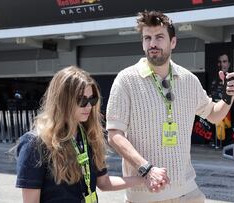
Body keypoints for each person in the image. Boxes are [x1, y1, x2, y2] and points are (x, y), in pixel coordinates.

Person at [106, 10, 234, 203]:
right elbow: (114, 135)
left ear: (173, 42)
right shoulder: (126, 80)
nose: (152, 44)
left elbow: (212, 114)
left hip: (188, 192)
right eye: (147, 38)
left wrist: (228, 97)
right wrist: (146, 169)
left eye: (159, 37)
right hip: (145, 194)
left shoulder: (188, 80)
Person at [15, 66, 143, 203]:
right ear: (62, 101)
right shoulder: (34, 143)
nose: (89, 106)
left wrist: (143, 179)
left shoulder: (89, 135)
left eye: (92, 99)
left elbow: (104, 182)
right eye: (82, 100)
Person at [210, 53, 231, 148]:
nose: (222, 64)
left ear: (229, 64)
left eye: (225, 61)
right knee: (216, 126)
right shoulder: (214, 79)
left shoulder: (232, 78)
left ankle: (226, 144)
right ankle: (216, 143)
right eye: (220, 62)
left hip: (228, 109)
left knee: (227, 127)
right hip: (215, 108)